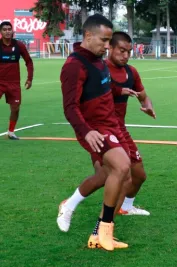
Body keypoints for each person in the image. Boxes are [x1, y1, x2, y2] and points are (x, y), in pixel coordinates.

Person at [57, 31, 155, 235]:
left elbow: (143, 96)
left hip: (118, 129)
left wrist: (147, 105)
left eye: (129, 51)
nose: (126, 55)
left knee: (137, 176)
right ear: (110, 47)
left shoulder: (129, 72)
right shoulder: (94, 66)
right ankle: (95, 226)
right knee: (110, 175)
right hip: (100, 129)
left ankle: (123, 210)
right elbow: (74, 103)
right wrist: (87, 130)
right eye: (122, 50)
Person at [59, 14, 131, 251]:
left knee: (117, 176)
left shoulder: (99, 60)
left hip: (111, 124)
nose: (107, 46)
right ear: (88, 35)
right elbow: (70, 107)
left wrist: (122, 91)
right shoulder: (73, 66)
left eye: (109, 41)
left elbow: (105, 85)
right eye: (104, 40)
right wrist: (86, 131)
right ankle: (104, 230)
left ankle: (71, 206)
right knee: (121, 167)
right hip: (94, 129)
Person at [0, 21, 33, 140]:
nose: (7, 31)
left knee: (15, 108)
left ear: (12, 31)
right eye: (4, 29)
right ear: (1, 32)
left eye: (9, 29)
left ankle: (11, 132)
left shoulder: (19, 45)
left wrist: (30, 78)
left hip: (14, 84)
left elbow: (28, 61)